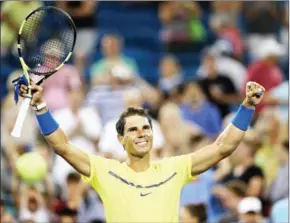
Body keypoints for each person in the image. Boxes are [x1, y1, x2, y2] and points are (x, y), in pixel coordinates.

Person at [18, 79, 265, 222]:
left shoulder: (174, 168)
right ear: (120, 139)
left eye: (146, 127)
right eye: (133, 129)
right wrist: (39, 105)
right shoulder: (105, 170)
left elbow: (224, 147)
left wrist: (247, 107)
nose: (141, 133)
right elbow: (62, 145)